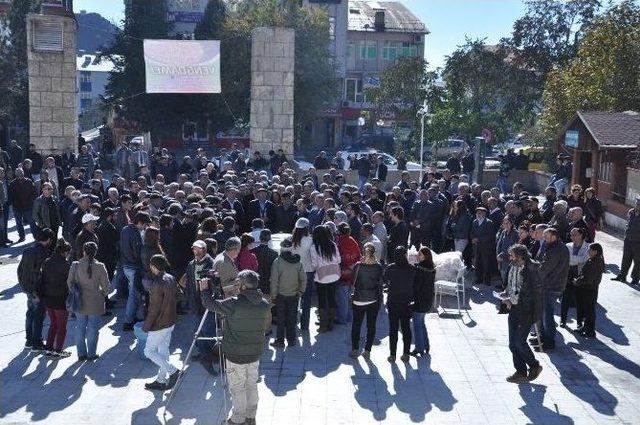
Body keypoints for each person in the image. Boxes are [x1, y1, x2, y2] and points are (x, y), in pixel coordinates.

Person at [199, 270, 270, 425]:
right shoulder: (264, 304)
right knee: (251, 385)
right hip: (254, 353)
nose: (236, 286)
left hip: (236, 355)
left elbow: (211, 305)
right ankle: (251, 417)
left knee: (238, 388)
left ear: (244, 286)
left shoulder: (234, 303)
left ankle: (238, 419)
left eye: (238, 283)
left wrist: (205, 291)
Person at [501, 244, 543, 383]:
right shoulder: (513, 266)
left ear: (520, 256)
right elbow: (512, 284)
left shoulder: (530, 270)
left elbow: (526, 293)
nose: (510, 257)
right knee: (512, 344)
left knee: (519, 342)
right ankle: (520, 372)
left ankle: (534, 365)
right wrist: (506, 294)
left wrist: (511, 299)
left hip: (525, 311)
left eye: (513, 255)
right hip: (514, 309)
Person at [142, 254, 180, 391]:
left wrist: (146, 326)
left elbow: (154, 308)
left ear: (153, 266)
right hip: (170, 321)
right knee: (163, 350)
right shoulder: (170, 277)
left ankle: (173, 371)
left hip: (159, 323)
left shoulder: (157, 283)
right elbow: (179, 295)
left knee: (149, 351)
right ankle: (161, 380)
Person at [182, 239, 217, 375]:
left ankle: (210, 354)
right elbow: (189, 284)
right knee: (197, 330)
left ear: (204, 250)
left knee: (208, 330)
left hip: (207, 303)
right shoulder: (191, 264)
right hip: (195, 303)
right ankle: (203, 354)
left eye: (199, 249)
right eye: (194, 249)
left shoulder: (211, 263)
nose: (196, 251)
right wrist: (189, 299)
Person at [70, 241, 110, 361]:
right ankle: (91, 354)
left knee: (80, 328)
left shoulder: (75, 265)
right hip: (95, 302)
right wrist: (102, 294)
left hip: (79, 301)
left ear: (84, 251)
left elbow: (69, 283)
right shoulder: (100, 266)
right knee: (93, 329)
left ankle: (81, 354)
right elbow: (106, 286)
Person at [17, 228, 55, 352]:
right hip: (38, 291)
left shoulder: (27, 251)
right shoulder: (45, 254)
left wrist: (24, 287)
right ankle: (36, 343)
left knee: (30, 314)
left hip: (28, 289)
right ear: (48, 240)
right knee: (38, 316)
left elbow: (20, 270)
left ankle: (29, 340)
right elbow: (46, 275)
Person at [269, 237, 306, 348]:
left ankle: (280, 341)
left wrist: (273, 295)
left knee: (281, 319)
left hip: (280, 295)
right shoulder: (298, 262)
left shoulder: (277, 262)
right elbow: (303, 279)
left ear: (281, 248)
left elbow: (274, 280)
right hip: (294, 295)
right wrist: (301, 291)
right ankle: (291, 340)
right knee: (292, 318)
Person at [348, 242, 383, 359]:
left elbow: (352, 280)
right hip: (373, 299)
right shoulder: (378, 266)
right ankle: (367, 350)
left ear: (363, 251)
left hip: (359, 299)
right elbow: (380, 283)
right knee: (371, 325)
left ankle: (355, 349)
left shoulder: (358, 266)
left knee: (356, 325)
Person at [537, 228, 570, 351]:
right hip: (549, 284)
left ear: (554, 236)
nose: (544, 239)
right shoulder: (553, 247)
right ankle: (543, 337)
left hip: (552, 285)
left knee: (547, 315)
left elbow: (545, 267)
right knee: (544, 313)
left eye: (546, 236)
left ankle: (549, 341)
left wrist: (535, 273)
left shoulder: (557, 249)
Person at [39, 239, 71, 357]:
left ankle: (48, 347)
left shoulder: (46, 262)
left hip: (47, 298)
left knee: (53, 323)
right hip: (60, 299)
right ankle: (58, 350)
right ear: (64, 252)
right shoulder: (65, 265)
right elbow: (69, 283)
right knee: (62, 326)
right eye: (68, 252)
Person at [384, 246, 415, 363]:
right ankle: (406, 353)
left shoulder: (390, 268)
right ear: (405, 255)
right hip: (407, 303)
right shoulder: (412, 269)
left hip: (393, 302)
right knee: (406, 328)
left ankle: (392, 355)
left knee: (393, 329)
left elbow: (385, 281)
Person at [121, 211, 151, 331]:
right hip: (133, 267)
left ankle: (130, 318)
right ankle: (128, 321)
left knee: (132, 293)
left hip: (126, 266)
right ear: (139, 222)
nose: (145, 227)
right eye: (145, 225)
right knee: (133, 295)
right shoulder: (135, 234)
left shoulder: (125, 229)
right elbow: (136, 252)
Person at [310, 225, 341, 333]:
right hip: (334, 274)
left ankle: (323, 326)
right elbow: (338, 259)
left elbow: (314, 264)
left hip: (321, 277)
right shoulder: (333, 244)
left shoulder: (314, 247)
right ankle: (330, 323)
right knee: (332, 298)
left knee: (322, 300)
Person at [573, 243, 605, 338]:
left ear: (595, 251)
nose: (588, 252)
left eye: (590, 250)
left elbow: (588, 278)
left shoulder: (596, 262)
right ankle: (586, 327)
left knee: (590, 311)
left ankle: (590, 331)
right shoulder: (592, 259)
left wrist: (577, 281)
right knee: (586, 311)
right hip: (586, 289)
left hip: (590, 289)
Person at [560, 227, 589, 328]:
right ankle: (563, 320)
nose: (572, 237)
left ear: (581, 235)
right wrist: (577, 260)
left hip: (580, 276)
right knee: (565, 299)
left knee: (579, 300)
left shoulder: (588, 247)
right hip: (568, 274)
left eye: (574, 234)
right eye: (571, 234)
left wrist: (572, 259)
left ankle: (579, 322)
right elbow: (567, 259)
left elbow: (584, 259)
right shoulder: (568, 245)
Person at [291, 218, 315, 331]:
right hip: (308, 272)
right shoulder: (310, 240)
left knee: (294, 298)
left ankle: (293, 322)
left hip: (295, 272)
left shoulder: (291, 240)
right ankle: (305, 325)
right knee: (307, 299)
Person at [411, 247, 435, 356]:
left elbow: (416, 286)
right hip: (428, 300)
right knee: (421, 324)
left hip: (419, 301)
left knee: (417, 325)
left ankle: (419, 348)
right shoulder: (432, 268)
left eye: (419, 254)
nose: (417, 256)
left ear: (425, 256)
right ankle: (426, 345)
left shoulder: (420, 269)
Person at [336, 222, 361, 325]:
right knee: (349, 297)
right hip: (353, 273)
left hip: (343, 274)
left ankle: (342, 319)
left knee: (343, 298)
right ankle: (349, 317)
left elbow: (338, 258)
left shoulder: (340, 242)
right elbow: (359, 256)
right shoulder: (353, 241)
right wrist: (352, 268)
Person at [613, 196, 640, 285]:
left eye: (639, 204)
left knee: (638, 261)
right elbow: (628, 223)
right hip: (628, 239)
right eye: (637, 203)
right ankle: (622, 275)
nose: (638, 205)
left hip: (638, 241)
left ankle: (635, 278)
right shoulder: (631, 212)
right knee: (626, 258)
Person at [471, 207, 496, 286]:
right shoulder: (474, 222)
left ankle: (487, 280)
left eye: (481, 212)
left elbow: (491, 235)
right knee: (477, 263)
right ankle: (478, 279)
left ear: (484, 213)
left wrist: (478, 239)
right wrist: (472, 238)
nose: (479, 214)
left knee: (486, 264)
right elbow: (471, 232)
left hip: (486, 247)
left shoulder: (489, 222)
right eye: (478, 212)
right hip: (476, 246)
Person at [496, 216, 519, 288]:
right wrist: (498, 255)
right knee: (503, 274)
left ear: (511, 223)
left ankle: (506, 291)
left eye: (507, 223)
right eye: (504, 223)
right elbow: (499, 244)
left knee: (508, 276)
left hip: (509, 258)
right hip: (501, 258)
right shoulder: (503, 232)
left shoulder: (515, 233)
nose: (505, 224)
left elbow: (512, 247)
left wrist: (503, 255)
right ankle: (503, 286)